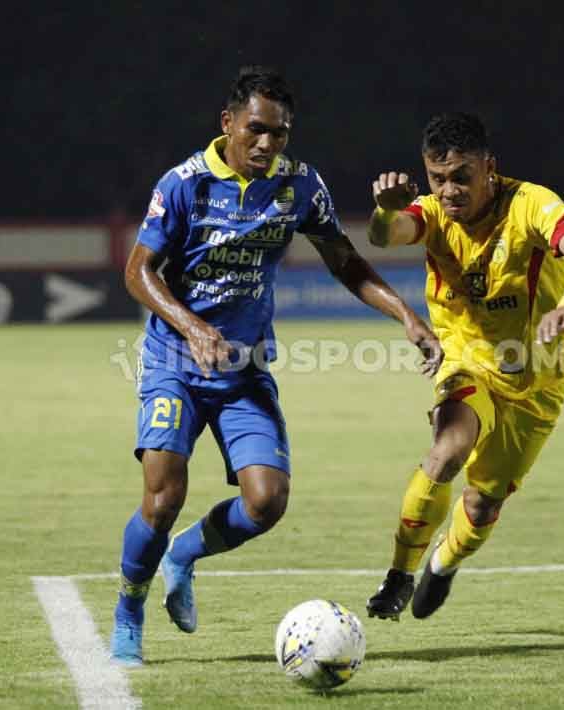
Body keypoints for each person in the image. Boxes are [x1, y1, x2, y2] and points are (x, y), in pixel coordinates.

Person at [112, 66, 441, 665]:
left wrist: (405, 315)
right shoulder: (185, 184)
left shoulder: (300, 186)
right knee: (162, 499)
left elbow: (345, 261)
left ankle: (184, 554)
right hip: (174, 362)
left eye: (280, 133)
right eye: (257, 130)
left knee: (266, 503)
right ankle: (129, 608)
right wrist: (193, 327)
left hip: (243, 370)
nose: (267, 143)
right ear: (228, 123)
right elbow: (138, 272)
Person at [363, 113, 564, 621]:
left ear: (489, 167)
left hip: (536, 381)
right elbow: (387, 235)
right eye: (437, 178)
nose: (449, 190)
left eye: (461, 176)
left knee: (482, 504)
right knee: (447, 451)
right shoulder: (432, 212)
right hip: (465, 360)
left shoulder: (530, 204)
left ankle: (444, 563)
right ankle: (399, 574)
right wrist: (385, 211)